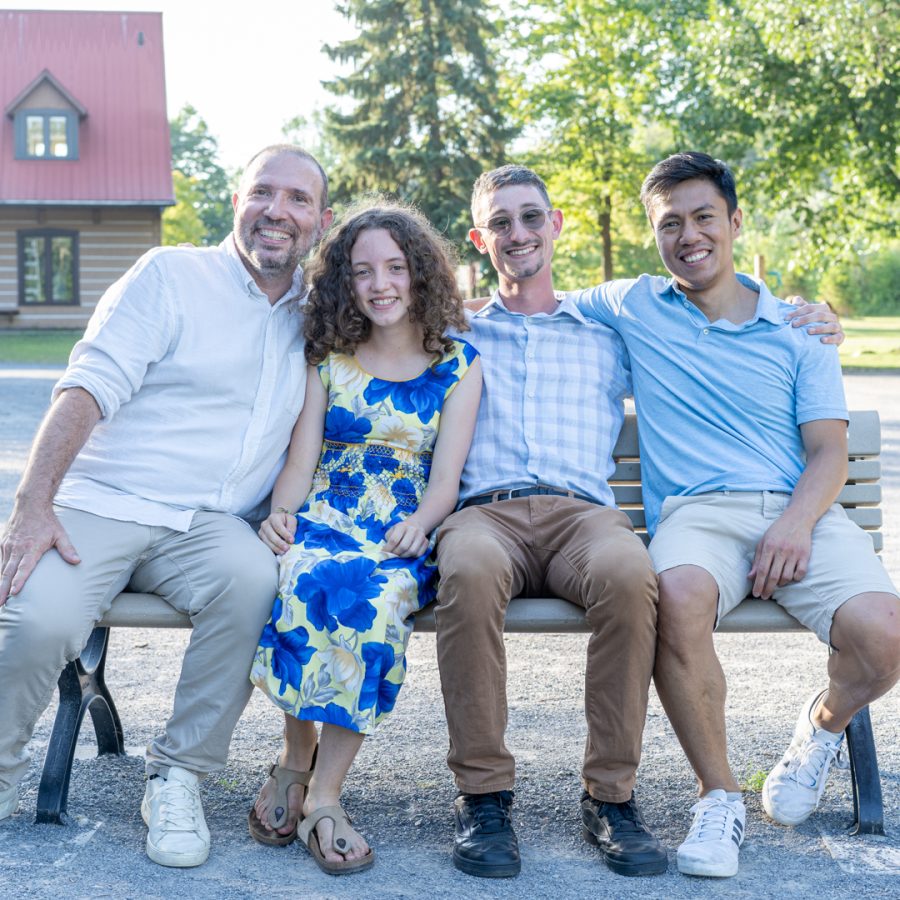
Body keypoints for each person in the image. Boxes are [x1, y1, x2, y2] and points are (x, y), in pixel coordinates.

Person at [435, 163, 845, 880]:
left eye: (532, 217)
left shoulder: (608, 329)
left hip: (583, 516)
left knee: (631, 574)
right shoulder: (453, 332)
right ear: (480, 239)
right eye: (501, 223)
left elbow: (711, 342)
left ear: (556, 225)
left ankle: (610, 798)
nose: (518, 234)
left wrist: (804, 316)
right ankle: (485, 796)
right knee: (464, 570)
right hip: (486, 515)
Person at [0, 144, 334, 868]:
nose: (277, 210)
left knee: (253, 583)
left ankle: (178, 776)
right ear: (236, 202)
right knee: (35, 616)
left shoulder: (316, 312)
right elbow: (86, 387)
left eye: (298, 199)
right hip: (108, 500)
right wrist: (32, 504)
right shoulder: (171, 275)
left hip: (211, 526)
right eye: (262, 193)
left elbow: (407, 312)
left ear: (320, 219)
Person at [577, 151, 899, 878]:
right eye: (669, 224)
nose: (688, 236)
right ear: (652, 235)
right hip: (696, 514)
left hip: (800, 510)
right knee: (679, 596)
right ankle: (718, 797)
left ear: (734, 221)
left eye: (702, 217)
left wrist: (792, 523)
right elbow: (530, 301)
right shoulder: (632, 305)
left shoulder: (797, 328)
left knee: (885, 636)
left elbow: (827, 452)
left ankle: (821, 729)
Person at [246, 203, 482, 875]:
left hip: (401, 528)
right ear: (344, 283)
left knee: (371, 602)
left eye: (395, 268)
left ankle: (325, 793)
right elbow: (301, 459)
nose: (380, 284)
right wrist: (283, 515)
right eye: (362, 272)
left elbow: (447, 477)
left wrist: (424, 523)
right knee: (291, 578)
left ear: (420, 275)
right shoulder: (329, 361)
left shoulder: (458, 366)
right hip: (326, 512)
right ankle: (295, 757)